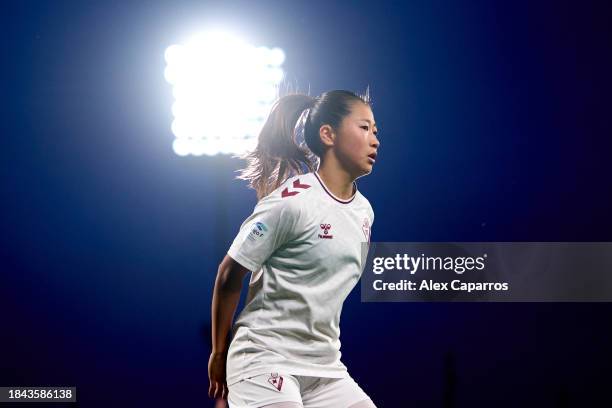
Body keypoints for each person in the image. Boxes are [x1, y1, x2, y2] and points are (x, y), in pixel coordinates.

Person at [208, 90, 380, 408]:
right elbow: (229, 273)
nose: (375, 140)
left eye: (376, 131)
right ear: (328, 134)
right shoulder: (291, 202)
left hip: (325, 370)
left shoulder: (364, 213)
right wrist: (219, 353)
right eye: (364, 128)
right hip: (263, 359)